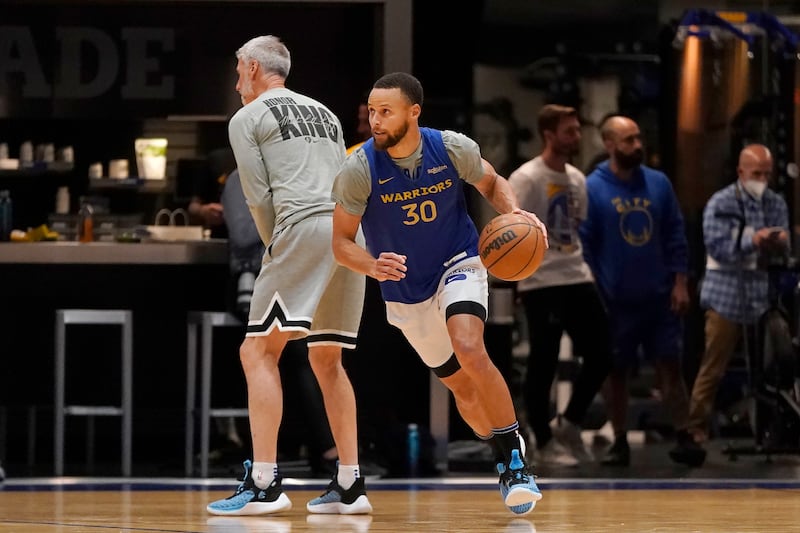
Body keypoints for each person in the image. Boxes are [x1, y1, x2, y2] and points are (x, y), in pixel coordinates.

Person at [331, 71, 547, 515]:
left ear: (414, 112)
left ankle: (514, 462)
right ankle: (499, 446)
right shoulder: (359, 168)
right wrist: (371, 265)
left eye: (385, 111)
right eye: (371, 111)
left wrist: (514, 212)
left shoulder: (450, 148)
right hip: (406, 291)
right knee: (464, 392)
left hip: (458, 261)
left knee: (470, 347)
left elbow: (492, 182)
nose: (375, 120)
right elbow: (340, 243)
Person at [206, 35, 371, 516]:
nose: (237, 82)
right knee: (327, 358)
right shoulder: (326, 113)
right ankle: (350, 483)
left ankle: (263, 483)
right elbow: (349, 180)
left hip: (301, 227)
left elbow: (257, 197)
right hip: (347, 232)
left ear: (254, 68)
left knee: (257, 350)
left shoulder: (247, 117)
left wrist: (273, 247)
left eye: (239, 71)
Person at [580, 115, 705, 467]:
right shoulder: (592, 188)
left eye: (638, 138)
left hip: (659, 297)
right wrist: (595, 296)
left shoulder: (658, 183)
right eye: (628, 140)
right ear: (609, 144)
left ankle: (684, 435)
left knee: (670, 366)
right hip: (615, 302)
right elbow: (586, 247)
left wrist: (680, 283)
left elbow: (676, 235)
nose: (637, 145)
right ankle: (619, 440)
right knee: (615, 372)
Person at [507, 104, 612, 466]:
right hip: (541, 280)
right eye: (569, 131)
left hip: (576, 274)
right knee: (544, 360)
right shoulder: (526, 177)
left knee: (602, 353)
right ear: (548, 134)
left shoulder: (577, 179)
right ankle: (542, 439)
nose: (576, 137)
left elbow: (577, 224)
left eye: (577, 130)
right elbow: (509, 230)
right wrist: (516, 279)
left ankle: (570, 422)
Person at [687, 144, 790, 453]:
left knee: (769, 366)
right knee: (714, 366)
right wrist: (752, 239)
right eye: (757, 173)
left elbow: (783, 242)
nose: (762, 180)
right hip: (726, 295)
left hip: (761, 296)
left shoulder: (775, 202)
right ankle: (695, 428)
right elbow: (717, 244)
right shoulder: (721, 202)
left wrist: (778, 242)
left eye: (767, 174)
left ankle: (770, 428)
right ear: (741, 172)